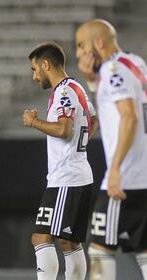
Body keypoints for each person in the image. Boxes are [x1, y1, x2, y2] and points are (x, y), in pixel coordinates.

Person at [75, 19, 147, 280]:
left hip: (125, 179)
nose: (78, 53)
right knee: (142, 250)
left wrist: (115, 170)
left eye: (81, 45)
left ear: (98, 43)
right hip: (143, 175)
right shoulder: (134, 63)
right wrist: (92, 82)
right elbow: (112, 110)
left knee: (99, 250)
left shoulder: (113, 70)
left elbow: (129, 117)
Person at [23, 42, 96, 280]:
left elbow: (64, 130)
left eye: (35, 69)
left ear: (46, 64)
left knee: (41, 237)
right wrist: (79, 146)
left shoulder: (64, 91)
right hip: (79, 174)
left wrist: (34, 122)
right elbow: (92, 120)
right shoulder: (78, 88)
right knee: (69, 241)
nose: (35, 76)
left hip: (66, 178)